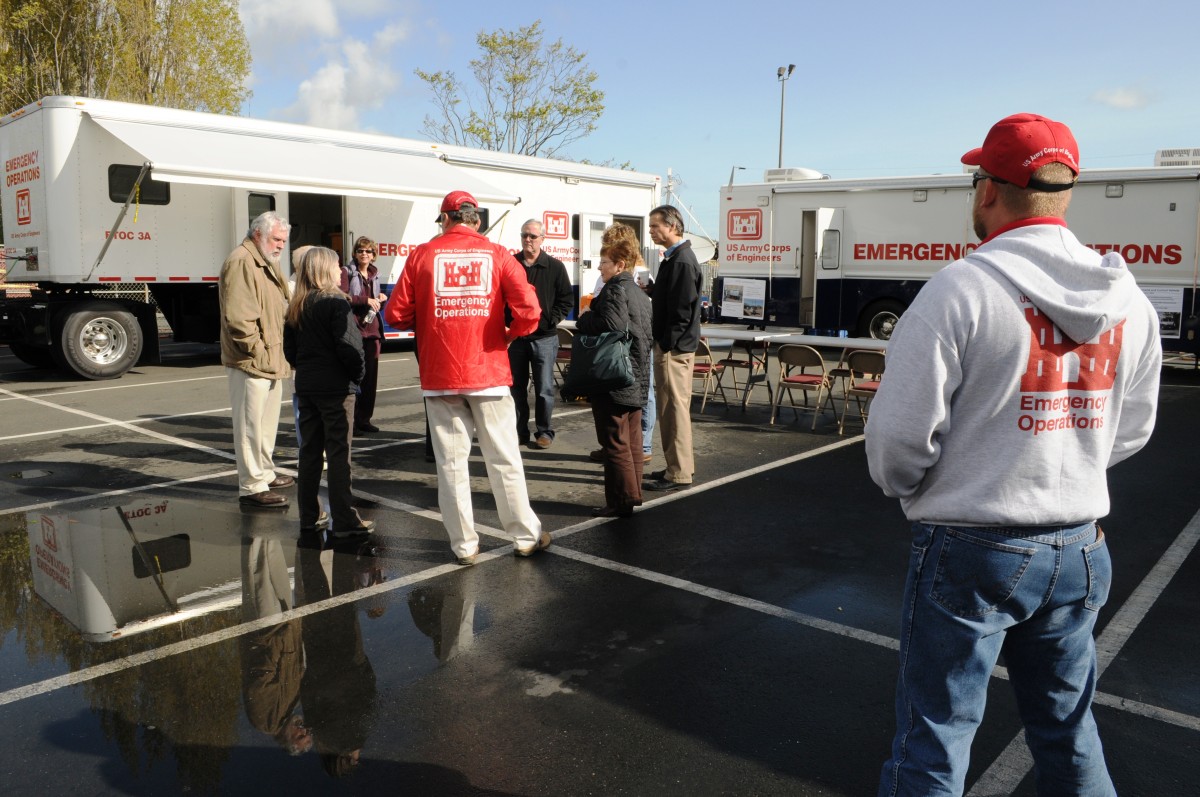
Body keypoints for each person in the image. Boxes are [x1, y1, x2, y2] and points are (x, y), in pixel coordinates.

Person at [866, 113, 1162, 797]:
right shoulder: (1130, 304)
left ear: (988, 190)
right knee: (1067, 729)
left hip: (972, 546)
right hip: (1080, 548)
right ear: (1063, 193)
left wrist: (926, 488)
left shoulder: (958, 291)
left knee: (933, 742)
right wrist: (1070, 467)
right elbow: (1133, 427)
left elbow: (896, 445)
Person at [384, 189, 551, 564]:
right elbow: (530, 309)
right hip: (488, 370)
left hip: (441, 373)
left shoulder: (423, 254)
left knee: (452, 464)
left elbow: (394, 315)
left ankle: (464, 545)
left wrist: (429, 318)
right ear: (475, 219)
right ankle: (525, 536)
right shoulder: (497, 254)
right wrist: (507, 336)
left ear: (446, 219)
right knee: (505, 457)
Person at [283, 246, 374, 538]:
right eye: (336, 266)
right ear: (325, 270)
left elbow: (290, 352)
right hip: (336, 390)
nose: (341, 270)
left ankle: (309, 515)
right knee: (338, 454)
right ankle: (345, 519)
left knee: (309, 451)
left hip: (307, 387)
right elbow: (351, 348)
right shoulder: (336, 304)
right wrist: (356, 376)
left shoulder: (298, 305)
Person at [220, 211, 296, 507]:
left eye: (283, 241)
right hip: (252, 360)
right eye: (276, 239)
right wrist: (257, 350)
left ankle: (263, 472)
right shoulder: (242, 261)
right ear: (258, 234)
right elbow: (239, 317)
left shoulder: (267, 261)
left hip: (271, 358)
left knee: (265, 425)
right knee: (250, 425)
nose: (280, 246)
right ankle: (252, 486)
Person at [576, 235, 653, 517]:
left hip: (615, 376)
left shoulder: (615, 290)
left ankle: (622, 501)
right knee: (631, 442)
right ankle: (631, 496)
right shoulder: (639, 293)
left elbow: (612, 324)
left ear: (619, 264)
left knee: (615, 442)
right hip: (636, 375)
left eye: (604, 262)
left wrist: (584, 317)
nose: (599, 268)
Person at [645, 205, 702, 492]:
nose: (652, 231)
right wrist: (652, 291)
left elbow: (681, 311)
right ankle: (676, 467)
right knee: (669, 409)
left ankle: (678, 472)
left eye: (656, 226)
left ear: (673, 226)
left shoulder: (681, 261)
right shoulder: (676, 259)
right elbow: (674, 302)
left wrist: (666, 345)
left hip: (674, 349)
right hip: (674, 346)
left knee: (674, 410)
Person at [590, 222, 656, 467]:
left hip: (630, 344)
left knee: (640, 397)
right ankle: (615, 447)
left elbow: (638, 307)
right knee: (626, 406)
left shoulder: (639, 272)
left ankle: (643, 446)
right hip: (618, 345)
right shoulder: (611, 274)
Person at [507, 219, 573, 449]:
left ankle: (544, 432)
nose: (528, 239)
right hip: (517, 338)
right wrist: (509, 323)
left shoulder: (555, 267)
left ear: (542, 240)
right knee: (516, 388)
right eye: (524, 235)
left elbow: (566, 300)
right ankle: (519, 431)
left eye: (533, 236)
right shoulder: (511, 264)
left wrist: (549, 320)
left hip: (544, 338)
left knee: (544, 388)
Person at [340, 236, 388, 435]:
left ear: (373, 255)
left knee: (370, 379)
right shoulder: (347, 272)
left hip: (372, 330)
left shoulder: (374, 274)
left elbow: (374, 305)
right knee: (354, 377)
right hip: (355, 330)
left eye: (368, 251)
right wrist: (366, 300)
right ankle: (350, 421)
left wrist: (380, 300)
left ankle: (364, 419)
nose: (364, 254)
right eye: (360, 251)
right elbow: (343, 296)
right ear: (355, 253)